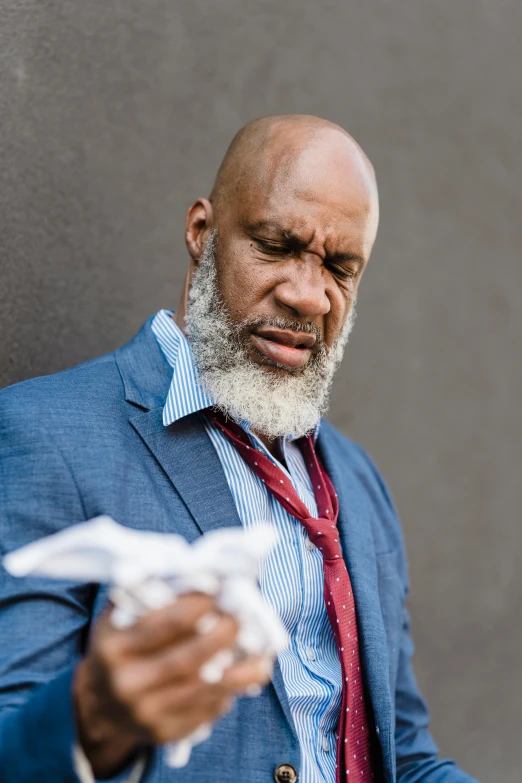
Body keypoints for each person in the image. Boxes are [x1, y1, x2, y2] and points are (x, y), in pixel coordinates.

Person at [0, 115, 479, 783]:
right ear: (202, 233)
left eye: (340, 266)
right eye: (277, 245)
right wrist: (96, 716)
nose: (307, 294)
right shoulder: (43, 435)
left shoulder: (358, 482)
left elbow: (406, 757)